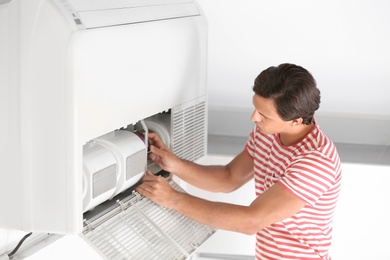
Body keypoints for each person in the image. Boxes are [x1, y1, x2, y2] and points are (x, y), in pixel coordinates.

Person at [135, 63, 342, 260]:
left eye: (264, 115)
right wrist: (175, 165)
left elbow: (251, 221)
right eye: (255, 108)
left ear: (295, 121)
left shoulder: (316, 161)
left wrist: (173, 199)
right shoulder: (268, 131)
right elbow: (229, 177)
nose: (254, 118)